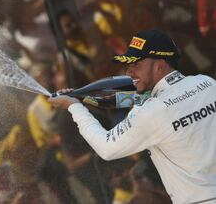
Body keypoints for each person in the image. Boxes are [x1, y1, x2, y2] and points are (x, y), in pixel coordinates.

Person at [48, 29, 216, 203]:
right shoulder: (207, 83)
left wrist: (74, 106)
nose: (129, 72)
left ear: (160, 64)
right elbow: (134, 99)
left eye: (136, 64)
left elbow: (106, 148)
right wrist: (83, 97)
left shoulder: (150, 111)